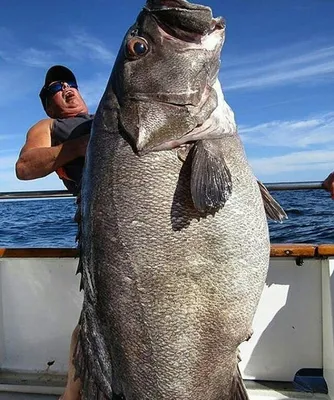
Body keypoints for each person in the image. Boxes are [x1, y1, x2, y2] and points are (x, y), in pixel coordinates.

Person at [15, 65, 91, 400]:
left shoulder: (112, 112)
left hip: (155, 217)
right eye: (56, 89)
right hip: (101, 220)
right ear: (49, 105)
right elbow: (25, 167)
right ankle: (72, 393)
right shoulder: (48, 126)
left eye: (70, 84)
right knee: (97, 310)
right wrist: (77, 147)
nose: (66, 89)